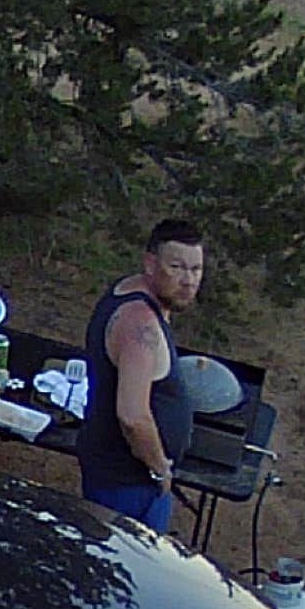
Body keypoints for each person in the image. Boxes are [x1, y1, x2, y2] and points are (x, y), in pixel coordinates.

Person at [75, 220, 207, 532]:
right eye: (176, 267)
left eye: (196, 269)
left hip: (116, 473)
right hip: (127, 484)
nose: (188, 281)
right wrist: (160, 469)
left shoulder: (129, 291)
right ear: (150, 263)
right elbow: (133, 416)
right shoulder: (139, 324)